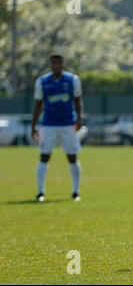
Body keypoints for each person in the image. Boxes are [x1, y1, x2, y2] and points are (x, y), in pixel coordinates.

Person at [31, 54, 84, 202]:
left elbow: (78, 101)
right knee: (44, 156)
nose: (56, 66)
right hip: (49, 124)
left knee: (72, 157)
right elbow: (38, 104)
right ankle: (40, 192)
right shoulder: (42, 82)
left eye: (59, 63)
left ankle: (75, 192)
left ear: (63, 64)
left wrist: (80, 118)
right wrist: (33, 125)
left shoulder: (73, 80)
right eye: (53, 63)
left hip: (68, 123)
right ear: (50, 65)